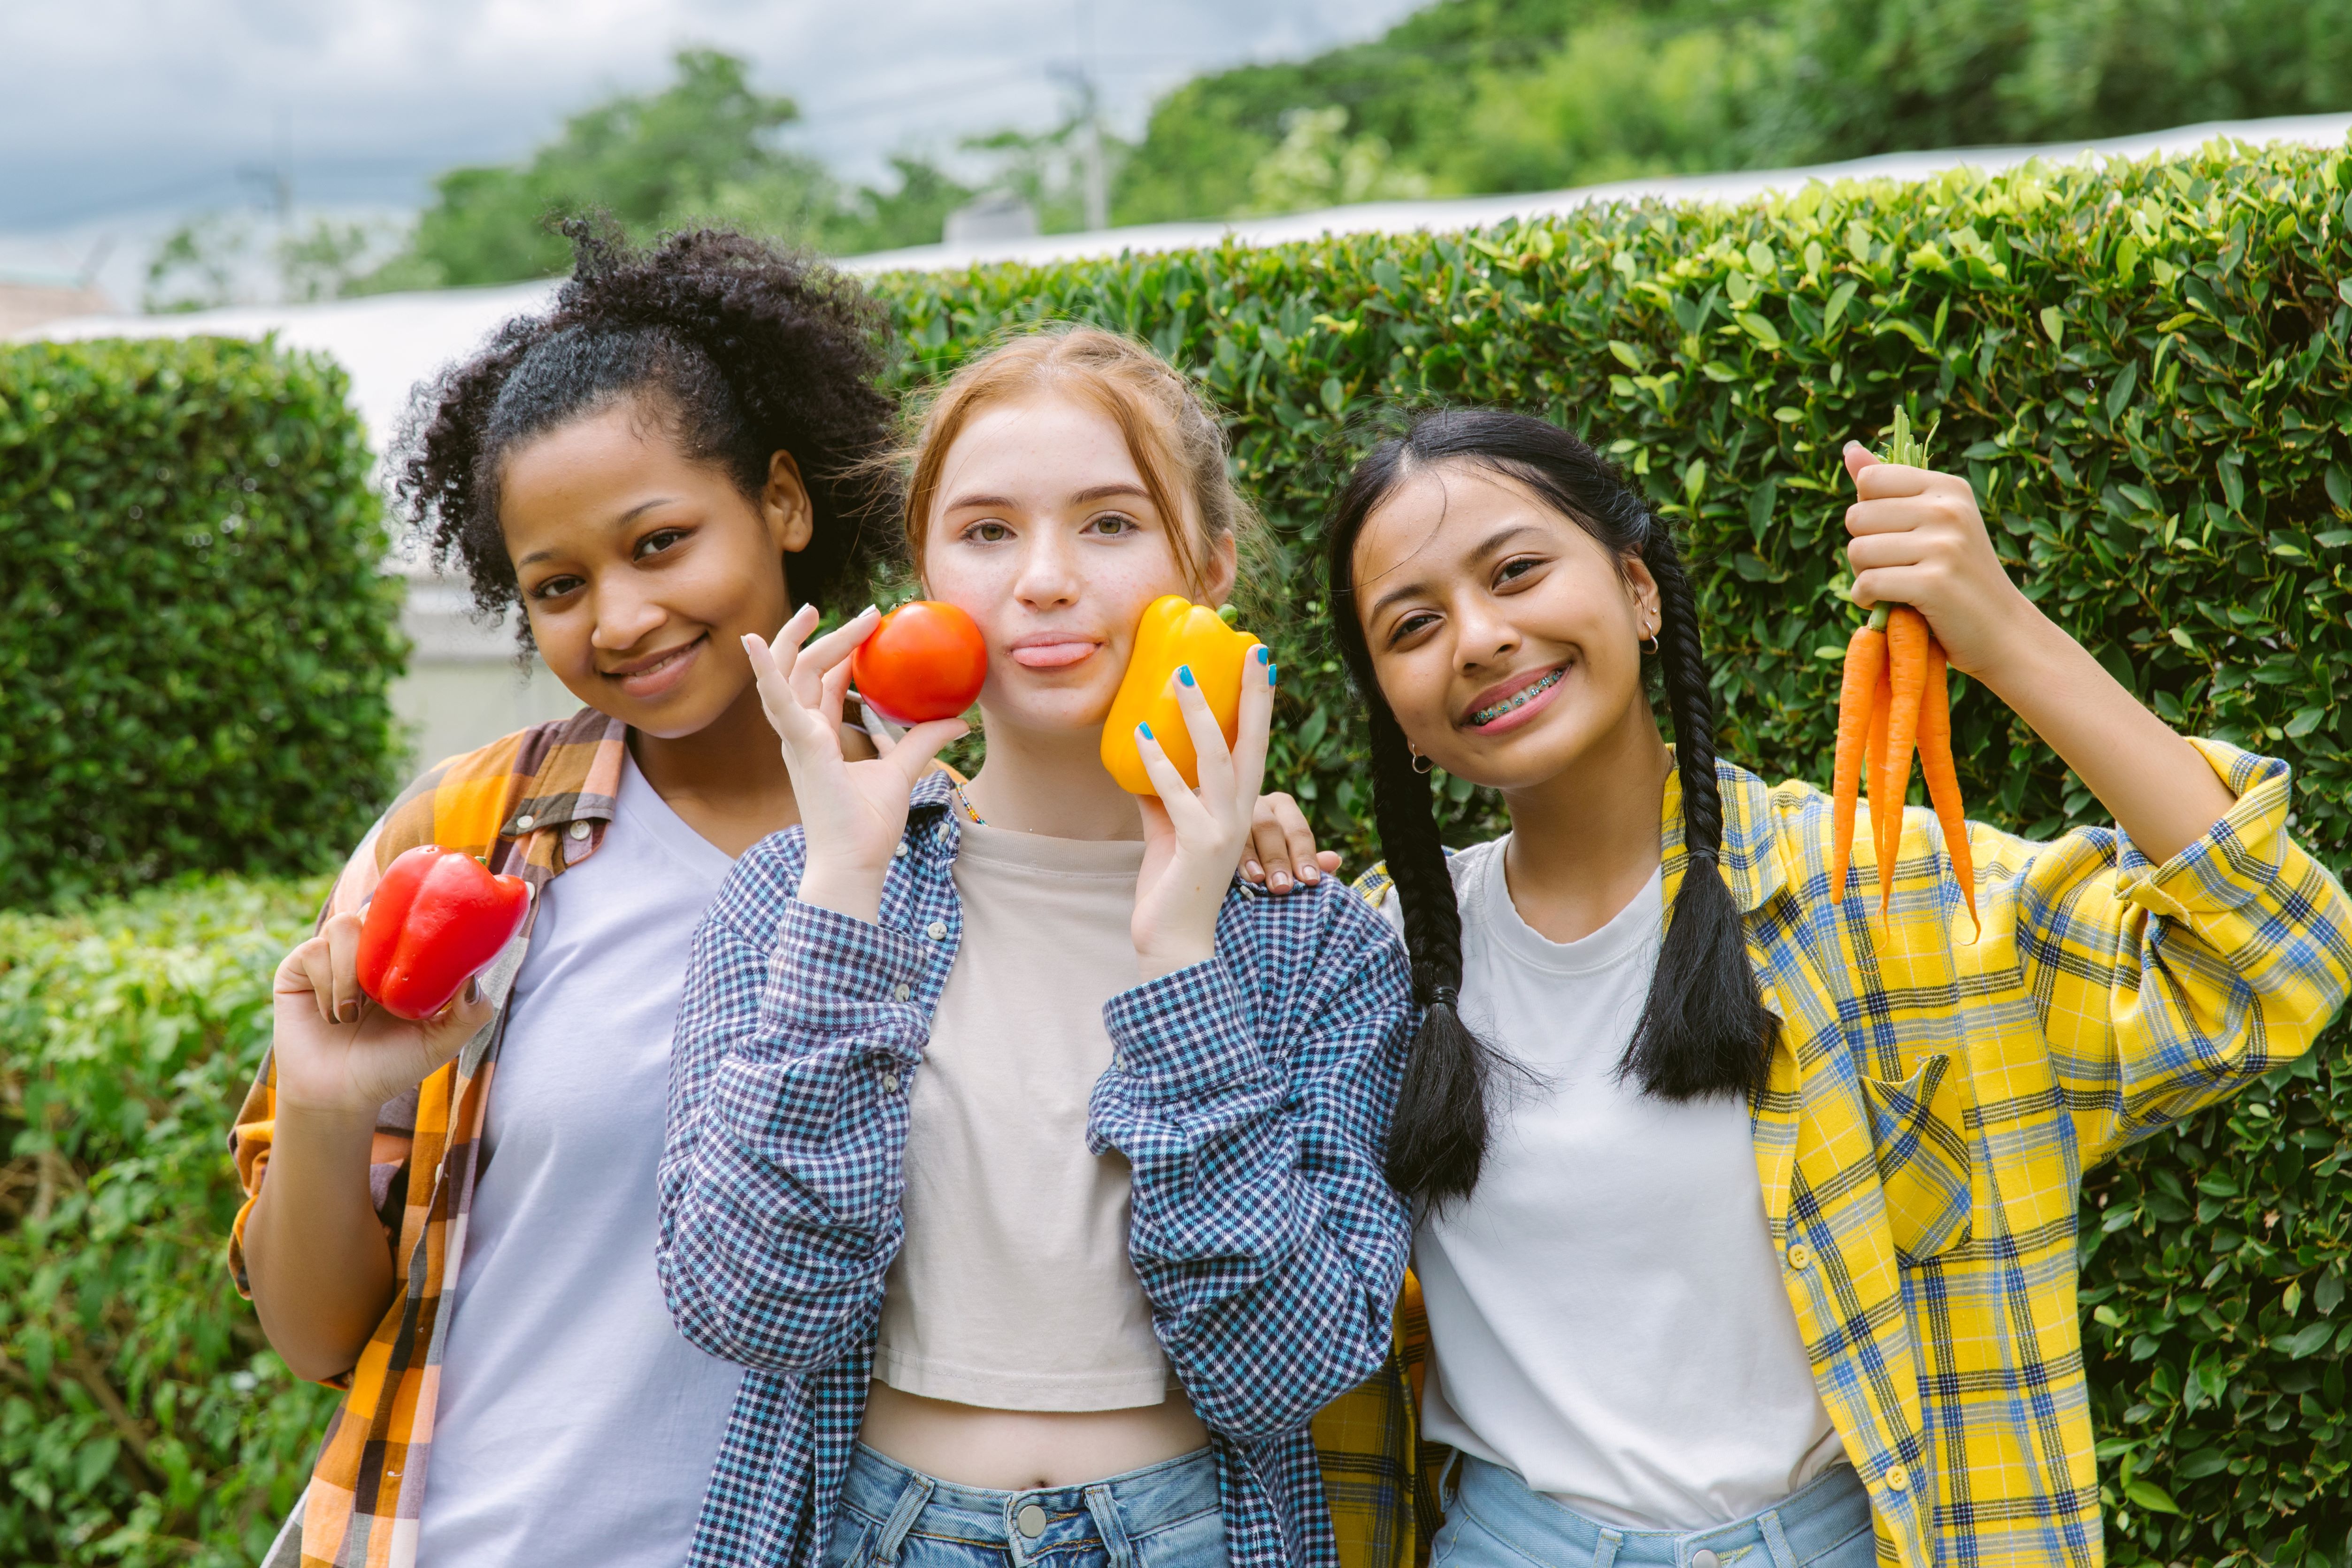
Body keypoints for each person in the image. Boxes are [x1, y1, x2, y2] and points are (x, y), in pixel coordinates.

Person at [231, 233, 1337, 1568]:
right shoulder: (470, 844)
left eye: (661, 541)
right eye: (557, 587)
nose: (623, 616)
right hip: (480, 1529)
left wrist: (1225, 846)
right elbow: (312, 1332)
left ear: (785, 503)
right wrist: (332, 1101)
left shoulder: (928, 838)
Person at [1316, 409, 2352, 1568]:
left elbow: (2276, 956)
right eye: (1413, 624)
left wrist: (2002, 632)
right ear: (1391, 704)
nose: (1479, 636)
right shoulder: (1362, 966)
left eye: (1516, 570)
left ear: (1639, 590)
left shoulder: (1866, 892)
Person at [656, 327, 1416, 1568]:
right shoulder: (791, 901)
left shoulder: (1317, 945)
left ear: (1206, 567)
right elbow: (747, 1307)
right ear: (925, 576)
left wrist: (1179, 957)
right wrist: (842, 895)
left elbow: (1288, 1367)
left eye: (1109, 524)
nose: (1045, 579)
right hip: (874, 1529)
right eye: (988, 531)